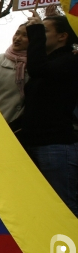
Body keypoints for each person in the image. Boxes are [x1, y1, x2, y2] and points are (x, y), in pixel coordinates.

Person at [21, 12, 78, 217]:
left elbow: (38, 69)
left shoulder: (71, 61)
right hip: (34, 143)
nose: (37, 35)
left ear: (62, 36)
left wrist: (35, 32)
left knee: (64, 208)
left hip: (56, 147)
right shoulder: (54, 62)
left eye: (45, 31)